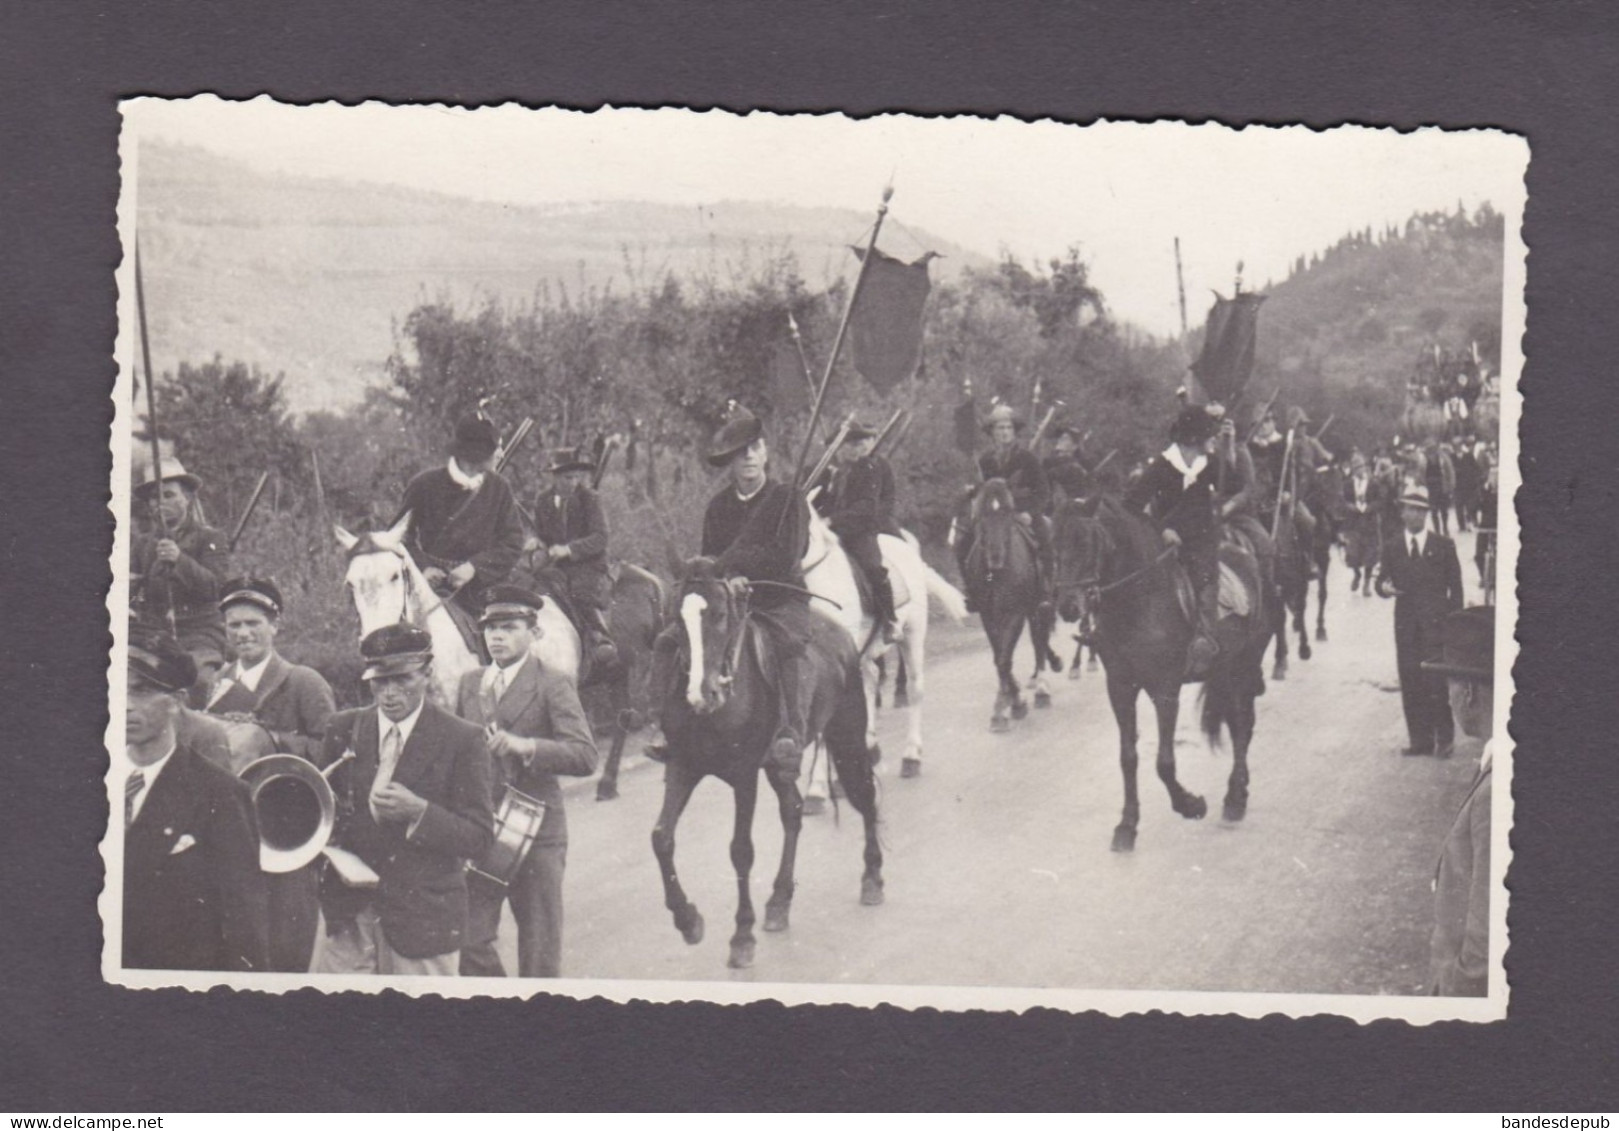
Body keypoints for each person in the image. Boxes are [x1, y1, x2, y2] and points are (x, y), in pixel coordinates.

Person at [646, 405, 815, 783]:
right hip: (728, 601)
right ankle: (665, 725)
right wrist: (721, 579)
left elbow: (789, 555)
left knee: (788, 646)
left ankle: (791, 733)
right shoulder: (718, 506)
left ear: (766, 452)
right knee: (669, 641)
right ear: (731, 463)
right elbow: (710, 560)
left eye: (755, 448)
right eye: (741, 453)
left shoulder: (788, 498)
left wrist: (742, 572)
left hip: (779, 598)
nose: (749, 457)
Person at [313, 624, 494, 976]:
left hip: (423, 919)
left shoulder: (463, 738)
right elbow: (322, 814)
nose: (389, 694)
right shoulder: (342, 728)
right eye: (379, 682)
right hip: (351, 917)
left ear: (428, 672)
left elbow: (480, 837)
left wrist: (420, 812)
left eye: (403, 680)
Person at [456, 586, 598, 978]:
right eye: (490, 628)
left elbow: (585, 755)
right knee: (468, 941)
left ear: (533, 633)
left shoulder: (552, 682)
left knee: (539, 956)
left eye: (509, 627)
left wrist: (527, 746)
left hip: (536, 831)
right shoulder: (470, 684)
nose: (496, 636)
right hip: (484, 831)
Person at [205, 577, 336, 973]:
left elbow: (332, 750)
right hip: (231, 834)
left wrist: (269, 738)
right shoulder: (217, 684)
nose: (243, 633)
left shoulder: (303, 681)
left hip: (286, 834)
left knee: (284, 952)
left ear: (275, 625)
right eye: (234, 625)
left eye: (253, 623)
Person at [121, 633, 268, 972]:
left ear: (176, 700)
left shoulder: (220, 793)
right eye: (118, 687)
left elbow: (244, 928)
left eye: (141, 691)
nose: (125, 703)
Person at [1421, 605, 1496, 996]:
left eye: (1449, 687)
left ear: (1468, 693)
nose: (1448, 700)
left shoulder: (1495, 793)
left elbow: (1483, 951)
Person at [395, 411, 527, 621]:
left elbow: (513, 542)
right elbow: (399, 538)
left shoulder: (499, 488)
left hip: (484, 590)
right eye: (496, 448)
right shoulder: (423, 485)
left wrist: (474, 567)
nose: (500, 454)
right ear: (476, 455)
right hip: (430, 589)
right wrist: (424, 568)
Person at [1126, 404, 1225, 673]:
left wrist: (1231, 448)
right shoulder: (1162, 465)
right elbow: (1132, 505)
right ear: (1194, 439)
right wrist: (1161, 530)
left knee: (1206, 580)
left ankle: (1205, 638)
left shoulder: (1212, 463)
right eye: (1209, 434)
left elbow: (1235, 485)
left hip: (1202, 540)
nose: (1213, 439)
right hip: (1165, 541)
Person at [1375, 485, 1465, 757]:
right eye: (1409, 509)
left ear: (1426, 514)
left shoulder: (1443, 545)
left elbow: (1456, 587)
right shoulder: (1392, 547)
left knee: (1436, 681)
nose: (1415, 515)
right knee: (1411, 679)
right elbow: (1381, 582)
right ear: (1402, 513)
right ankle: (1420, 739)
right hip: (1405, 626)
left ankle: (1444, 737)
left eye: (1420, 510)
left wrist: (1452, 621)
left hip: (1435, 625)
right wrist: (1385, 589)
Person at [130, 451, 232, 688]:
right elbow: (133, 592)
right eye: (154, 498)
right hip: (155, 634)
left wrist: (180, 560)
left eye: (168, 495)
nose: (160, 503)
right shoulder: (142, 544)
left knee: (198, 682)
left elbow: (216, 588)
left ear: (186, 498)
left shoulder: (210, 538)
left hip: (199, 633)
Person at [955, 404, 1052, 612]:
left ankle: (1045, 591)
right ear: (992, 433)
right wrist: (972, 490)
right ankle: (973, 591)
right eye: (999, 428)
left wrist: (1030, 512)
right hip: (993, 517)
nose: (1004, 432)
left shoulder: (1028, 459)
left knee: (1045, 540)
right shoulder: (984, 460)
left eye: (1008, 427)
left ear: (1014, 431)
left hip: (1022, 514)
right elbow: (982, 491)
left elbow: (1043, 492)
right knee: (963, 544)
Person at [530, 447, 618, 670]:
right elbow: (542, 534)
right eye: (568, 477)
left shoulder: (590, 499)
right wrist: (537, 542)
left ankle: (600, 637)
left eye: (576, 477)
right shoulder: (543, 501)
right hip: (556, 566)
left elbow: (601, 537)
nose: (573, 482)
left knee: (580, 593)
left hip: (588, 565)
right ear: (556, 477)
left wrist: (569, 549)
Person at [817, 421, 899, 642]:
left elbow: (865, 507)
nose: (852, 450)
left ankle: (890, 620)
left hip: (859, 531)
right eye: (846, 445)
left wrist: (832, 520)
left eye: (856, 444)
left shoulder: (870, 469)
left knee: (873, 567)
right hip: (833, 531)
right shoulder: (833, 472)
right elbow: (823, 500)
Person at [1042, 422, 1091, 506]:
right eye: (1061, 437)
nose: (1060, 440)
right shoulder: (1048, 462)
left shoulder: (1075, 469)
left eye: (1065, 438)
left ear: (1074, 446)